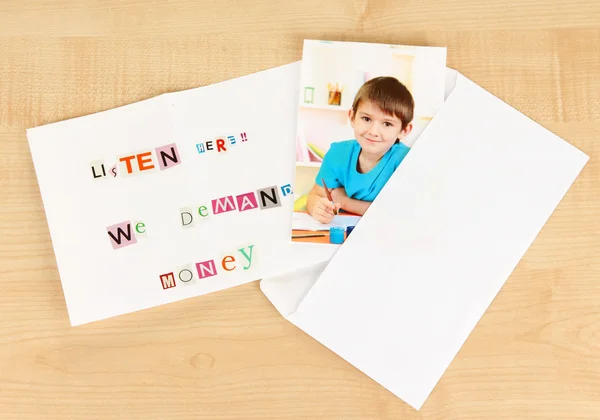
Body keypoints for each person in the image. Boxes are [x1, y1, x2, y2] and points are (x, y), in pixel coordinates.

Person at [306, 76, 415, 224]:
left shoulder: (407, 160)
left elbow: (400, 214)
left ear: (404, 130)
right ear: (352, 117)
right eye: (366, 119)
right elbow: (315, 195)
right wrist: (317, 209)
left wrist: (343, 201)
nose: (373, 131)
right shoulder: (338, 153)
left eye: (387, 124)